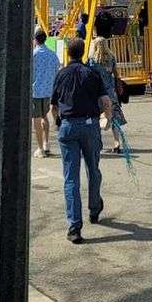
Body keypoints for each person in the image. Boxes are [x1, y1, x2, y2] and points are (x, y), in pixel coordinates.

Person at [51, 37, 111, 243]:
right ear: (83, 52)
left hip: (68, 125)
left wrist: (58, 122)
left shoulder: (61, 75)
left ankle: (74, 226)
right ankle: (94, 208)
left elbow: (54, 106)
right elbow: (105, 101)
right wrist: (107, 119)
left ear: (68, 53)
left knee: (71, 178)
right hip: (89, 124)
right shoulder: (92, 74)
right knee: (93, 169)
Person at [88, 36, 127, 153]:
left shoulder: (92, 60)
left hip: (96, 92)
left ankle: (98, 142)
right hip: (110, 92)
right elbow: (116, 74)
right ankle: (116, 142)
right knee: (114, 117)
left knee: (96, 117)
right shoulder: (111, 58)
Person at [32, 29, 60, 157]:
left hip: (36, 90)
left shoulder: (34, 54)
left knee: (37, 118)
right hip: (49, 90)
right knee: (44, 116)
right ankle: (46, 143)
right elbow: (56, 70)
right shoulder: (52, 54)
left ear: (35, 39)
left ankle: (40, 148)